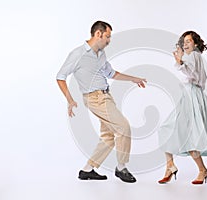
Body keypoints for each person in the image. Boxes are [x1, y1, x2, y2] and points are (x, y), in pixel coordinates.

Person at [56, 21, 146, 183]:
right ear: (98, 34)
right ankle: (121, 167)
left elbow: (111, 73)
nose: (109, 40)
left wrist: (133, 79)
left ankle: (87, 170)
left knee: (108, 136)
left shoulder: (101, 53)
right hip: (95, 98)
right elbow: (60, 76)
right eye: (107, 36)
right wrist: (69, 99)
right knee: (123, 127)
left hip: (106, 96)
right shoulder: (78, 54)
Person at [158, 31, 207, 184]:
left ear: (195, 44)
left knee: (190, 136)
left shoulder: (194, 56)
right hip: (188, 95)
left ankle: (201, 170)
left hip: (192, 95)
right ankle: (170, 165)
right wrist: (181, 61)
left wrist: (180, 62)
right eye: (184, 41)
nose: (185, 43)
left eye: (189, 41)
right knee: (170, 129)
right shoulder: (190, 57)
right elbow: (190, 72)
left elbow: (193, 75)